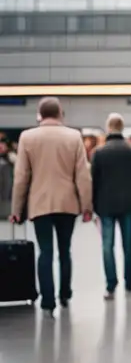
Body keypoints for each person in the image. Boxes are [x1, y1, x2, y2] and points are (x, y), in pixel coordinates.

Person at [9, 97, 93, 316]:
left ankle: (47, 301)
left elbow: (21, 177)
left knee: (45, 251)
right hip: (68, 203)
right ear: (60, 113)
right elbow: (83, 176)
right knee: (65, 251)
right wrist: (87, 206)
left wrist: (16, 210)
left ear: (39, 114)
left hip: (40, 204)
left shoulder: (28, 137)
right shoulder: (74, 136)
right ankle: (65, 294)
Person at [91, 113, 131, 299]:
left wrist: (91, 205)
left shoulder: (99, 153)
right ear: (122, 128)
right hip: (126, 204)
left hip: (105, 205)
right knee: (128, 245)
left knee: (107, 245)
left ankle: (110, 284)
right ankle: (129, 282)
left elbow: (94, 181)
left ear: (108, 128)